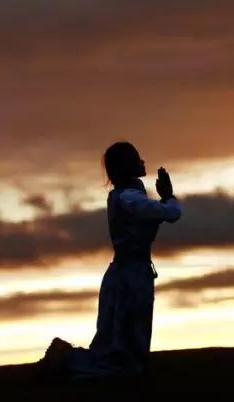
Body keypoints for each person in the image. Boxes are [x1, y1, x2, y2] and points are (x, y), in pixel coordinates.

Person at [34, 141, 183, 380]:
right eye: (136, 157)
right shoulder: (129, 198)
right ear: (126, 166)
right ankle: (65, 360)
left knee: (119, 349)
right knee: (123, 359)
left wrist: (166, 199)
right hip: (130, 278)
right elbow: (171, 213)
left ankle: (65, 360)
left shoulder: (124, 196)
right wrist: (168, 197)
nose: (142, 161)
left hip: (125, 275)